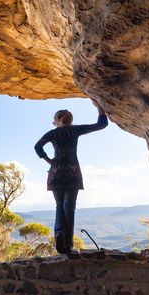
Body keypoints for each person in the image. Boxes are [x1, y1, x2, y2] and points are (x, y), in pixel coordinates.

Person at [34, 100, 108, 254]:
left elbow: (37, 146)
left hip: (56, 172)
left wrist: (49, 160)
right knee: (70, 208)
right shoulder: (75, 130)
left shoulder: (52, 133)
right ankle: (68, 243)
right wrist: (100, 108)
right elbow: (101, 125)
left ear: (56, 121)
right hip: (73, 172)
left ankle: (60, 235)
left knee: (59, 206)